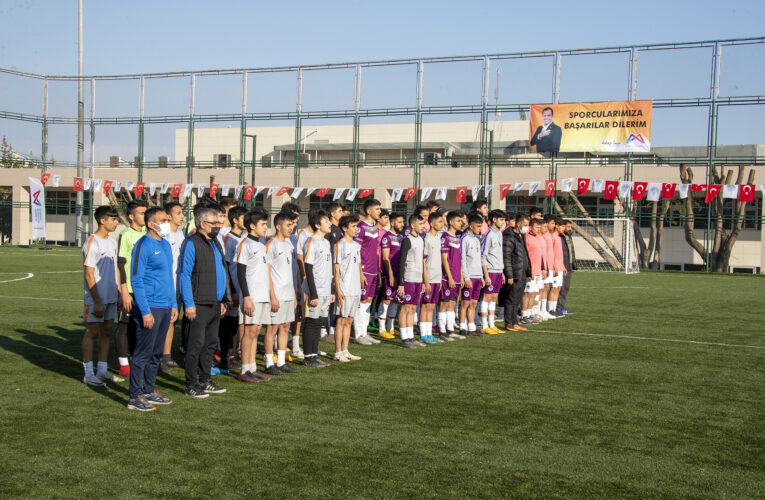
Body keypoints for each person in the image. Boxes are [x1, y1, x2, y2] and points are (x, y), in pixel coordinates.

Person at [128, 207, 178, 411]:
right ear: (151, 223)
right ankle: (134, 396)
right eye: (163, 220)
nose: (167, 222)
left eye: (167, 219)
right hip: (150, 306)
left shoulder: (165, 245)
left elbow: (168, 276)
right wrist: (145, 310)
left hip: (165, 306)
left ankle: (149, 389)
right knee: (142, 353)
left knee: (156, 353)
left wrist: (173, 303)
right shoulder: (143, 245)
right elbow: (136, 278)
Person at [178, 205, 231, 398]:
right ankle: (191, 384)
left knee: (209, 345)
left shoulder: (216, 243)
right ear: (202, 224)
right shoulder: (191, 243)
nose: (218, 225)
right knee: (195, 345)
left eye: (219, 222)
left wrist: (224, 299)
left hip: (215, 304)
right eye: (214, 222)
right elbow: (184, 275)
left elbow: (222, 270)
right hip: (198, 303)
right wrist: (189, 303)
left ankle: (205, 379)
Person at [81, 206, 122, 387]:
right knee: (92, 333)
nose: (116, 222)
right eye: (113, 219)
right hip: (96, 299)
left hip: (112, 297)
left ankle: (102, 370)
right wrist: (97, 301)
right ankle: (88, 373)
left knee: (107, 332)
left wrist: (120, 294)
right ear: (102, 220)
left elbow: (116, 269)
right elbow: (89, 274)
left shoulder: (112, 242)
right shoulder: (92, 243)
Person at [235, 210, 272, 383]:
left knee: (256, 331)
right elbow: (241, 274)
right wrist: (247, 297)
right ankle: (244, 370)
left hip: (262, 295)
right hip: (252, 296)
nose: (266, 227)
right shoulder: (245, 244)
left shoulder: (260, 244)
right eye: (263, 224)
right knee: (249, 332)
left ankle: (252, 368)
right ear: (252, 226)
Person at [263, 212, 300, 375]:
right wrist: (272, 296)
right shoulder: (271, 244)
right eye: (288, 225)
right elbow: (267, 272)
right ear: (278, 226)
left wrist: (293, 293)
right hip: (276, 294)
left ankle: (282, 361)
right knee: (272, 328)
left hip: (287, 294)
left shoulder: (288, 244)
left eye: (292, 225)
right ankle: (269, 362)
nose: (291, 228)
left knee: (285, 326)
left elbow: (288, 272)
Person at [115, 199, 148, 377]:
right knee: (124, 324)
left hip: (145, 288)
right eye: (141, 213)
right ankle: (123, 363)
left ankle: (137, 358)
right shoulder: (126, 235)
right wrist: (123, 291)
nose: (144, 215)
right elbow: (120, 264)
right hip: (129, 288)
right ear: (131, 216)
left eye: (145, 212)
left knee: (141, 324)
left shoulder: (148, 234)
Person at [301, 210, 335, 367]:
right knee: (312, 322)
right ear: (317, 225)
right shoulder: (311, 242)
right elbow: (308, 268)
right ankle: (308, 356)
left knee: (320, 322)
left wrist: (331, 290)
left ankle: (314, 354)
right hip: (314, 291)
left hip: (325, 290)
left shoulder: (326, 242)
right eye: (326, 221)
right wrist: (313, 293)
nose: (330, 224)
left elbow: (328, 269)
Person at [332, 214, 365, 362]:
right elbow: (336, 269)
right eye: (353, 226)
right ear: (344, 228)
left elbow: (358, 264)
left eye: (356, 226)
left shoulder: (356, 245)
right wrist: (338, 289)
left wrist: (362, 275)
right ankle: (337, 351)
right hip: (344, 288)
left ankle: (345, 350)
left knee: (349, 320)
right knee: (341, 320)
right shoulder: (340, 245)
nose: (356, 229)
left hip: (355, 289)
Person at [220, 206, 247, 371]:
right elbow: (226, 266)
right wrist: (232, 291)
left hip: (242, 287)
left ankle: (234, 354)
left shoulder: (244, 238)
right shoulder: (228, 238)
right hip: (232, 289)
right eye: (244, 217)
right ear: (235, 220)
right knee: (228, 324)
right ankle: (226, 357)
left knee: (238, 322)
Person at [353, 198, 383, 345]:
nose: (379, 212)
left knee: (369, 300)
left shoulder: (375, 229)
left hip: (373, 270)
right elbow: (356, 250)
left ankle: (365, 332)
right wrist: (359, 271)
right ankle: (358, 334)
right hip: (364, 269)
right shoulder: (360, 227)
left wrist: (377, 270)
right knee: (362, 301)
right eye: (377, 209)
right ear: (369, 211)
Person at [160, 201, 185, 372]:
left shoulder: (181, 233)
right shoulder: (164, 235)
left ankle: (166, 356)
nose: (182, 216)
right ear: (168, 216)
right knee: (165, 322)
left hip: (180, 285)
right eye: (178, 213)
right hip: (167, 286)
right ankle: (159, 357)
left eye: (182, 213)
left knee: (173, 321)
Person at [397, 214, 427, 348]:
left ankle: (410, 336)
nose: (423, 227)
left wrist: (424, 281)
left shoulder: (421, 240)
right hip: (408, 278)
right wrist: (401, 283)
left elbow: (422, 261)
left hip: (418, 279)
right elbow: (402, 262)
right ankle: (404, 338)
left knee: (413, 308)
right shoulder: (407, 240)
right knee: (406, 307)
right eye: (421, 224)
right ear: (413, 225)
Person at [438, 211, 465, 340]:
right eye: (458, 221)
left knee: (452, 304)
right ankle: (442, 331)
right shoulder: (445, 237)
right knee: (444, 303)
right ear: (450, 222)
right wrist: (449, 277)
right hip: (447, 278)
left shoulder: (457, 239)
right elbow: (444, 259)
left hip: (457, 277)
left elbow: (459, 260)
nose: (461, 223)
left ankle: (450, 329)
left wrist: (461, 276)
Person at [502, 213, 530, 332]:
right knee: (511, 299)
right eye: (524, 225)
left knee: (517, 300)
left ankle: (515, 322)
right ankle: (509, 323)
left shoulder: (521, 236)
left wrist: (528, 271)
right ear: (518, 224)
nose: (526, 227)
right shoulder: (509, 237)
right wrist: (509, 275)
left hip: (522, 273)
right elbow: (507, 257)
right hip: (514, 273)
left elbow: (525, 255)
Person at [479, 209, 505, 335]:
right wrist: (486, 274)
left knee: (494, 297)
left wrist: (502, 272)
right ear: (494, 220)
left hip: (499, 270)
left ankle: (492, 324)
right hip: (490, 271)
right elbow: (483, 255)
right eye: (501, 219)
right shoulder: (488, 235)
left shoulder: (499, 234)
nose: (503, 222)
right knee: (487, 297)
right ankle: (484, 325)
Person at [421, 212, 445, 343]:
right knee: (425, 306)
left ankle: (429, 333)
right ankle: (423, 334)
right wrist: (425, 280)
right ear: (431, 223)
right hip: (428, 278)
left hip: (436, 278)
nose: (442, 224)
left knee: (431, 306)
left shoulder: (438, 238)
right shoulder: (427, 239)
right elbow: (423, 261)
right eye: (440, 222)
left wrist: (440, 278)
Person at [379, 213, 405, 338]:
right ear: (393, 223)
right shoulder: (387, 237)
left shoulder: (400, 238)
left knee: (395, 300)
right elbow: (385, 257)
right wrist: (390, 275)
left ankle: (391, 328)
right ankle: (381, 329)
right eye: (400, 222)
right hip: (389, 274)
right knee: (387, 300)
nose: (402, 224)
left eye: (403, 222)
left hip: (398, 273)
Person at [459, 214, 484, 337]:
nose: (480, 229)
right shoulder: (465, 239)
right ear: (471, 225)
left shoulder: (477, 239)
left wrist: (481, 276)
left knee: (474, 303)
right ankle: (462, 326)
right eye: (478, 226)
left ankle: (471, 326)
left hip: (477, 276)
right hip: (469, 277)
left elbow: (479, 259)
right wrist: (466, 277)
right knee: (465, 303)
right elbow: (462, 259)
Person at [324, 202, 345, 344]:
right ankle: (323, 330)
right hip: (329, 269)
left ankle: (331, 328)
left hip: (337, 268)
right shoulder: (329, 230)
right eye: (339, 211)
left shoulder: (338, 229)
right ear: (332, 214)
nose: (342, 213)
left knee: (334, 300)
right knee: (328, 300)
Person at [523, 219, 546, 323]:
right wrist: (529, 270)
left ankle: (530, 313)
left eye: (539, 227)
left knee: (534, 293)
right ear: (530, 227)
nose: (539, 229)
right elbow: (526, 256)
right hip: (530, 271)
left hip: (537, 272)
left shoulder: (537, 238)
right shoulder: (527, 238)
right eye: (537, 227)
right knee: (527, 293)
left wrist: (542, 269)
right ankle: (524, 315)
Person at [556, 219, 576, 315]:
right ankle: (557, 307)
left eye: (570, 227)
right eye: (567, 227)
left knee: (566, 288)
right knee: (560, 287)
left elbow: (571, 252)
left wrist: (574, 265)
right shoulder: (559, 237)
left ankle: (561, 306)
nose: (569, 229)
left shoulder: (568, 237)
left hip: (569, 266)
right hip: (562, 267)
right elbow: (561, 254)